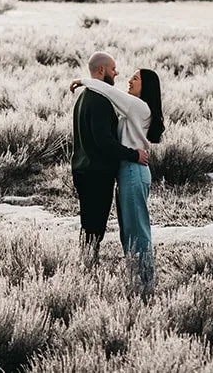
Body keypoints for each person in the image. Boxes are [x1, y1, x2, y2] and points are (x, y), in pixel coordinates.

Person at [72, 63, 164, 296]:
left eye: (136, 79)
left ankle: (145, 284)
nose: (129, 80)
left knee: (137, 230)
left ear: (146, 87)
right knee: (128, 231)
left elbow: (110, 92)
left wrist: (84, 81)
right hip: (127, 172)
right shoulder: (133, 107)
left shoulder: (138, 106)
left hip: (134, 171)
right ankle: (136, 279)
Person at [70, 51, 146, 267]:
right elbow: (104, 142)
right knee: (95, 227)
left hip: (83, 169)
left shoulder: (84, 97)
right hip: (97, 173)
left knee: (89, 223)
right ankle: (87, 266)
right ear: (102, 70)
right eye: (113, 69)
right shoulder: (99, 100)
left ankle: (86, 264)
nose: (117, 72)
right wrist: (134, 154)